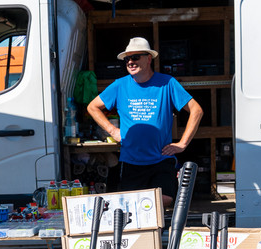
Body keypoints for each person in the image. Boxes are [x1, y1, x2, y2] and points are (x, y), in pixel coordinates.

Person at [86, 37, 203, 208]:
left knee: (165, 199)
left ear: (149, 58)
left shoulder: (167, 83)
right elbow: (92, 107)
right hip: (132, 161)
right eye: (127, 59)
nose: (130, 62)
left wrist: (183, 144)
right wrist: (112, 130)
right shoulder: (120, 85)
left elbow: (196, 110)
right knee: (132, 206)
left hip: (161, 158)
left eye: (135, 57)